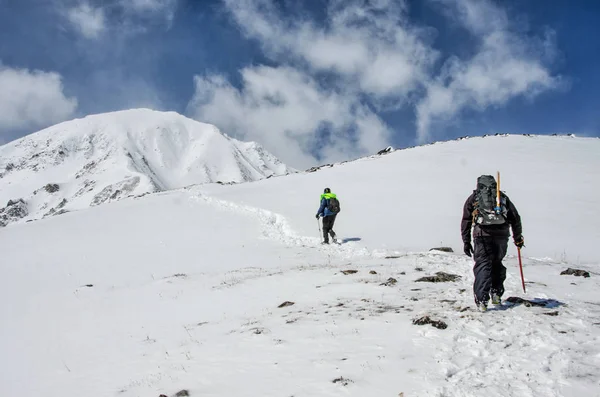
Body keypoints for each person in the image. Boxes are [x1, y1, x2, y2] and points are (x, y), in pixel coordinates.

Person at [461, 175, 524, 312]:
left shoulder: (474, 198)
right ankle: (496, 293)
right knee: (497, 263)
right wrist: (518, 238)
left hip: (482, 235)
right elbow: (515, 217)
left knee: (483, 265)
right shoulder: (502, 198)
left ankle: (482, 300)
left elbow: (466, 220)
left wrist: (466, 241)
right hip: (502, 236)